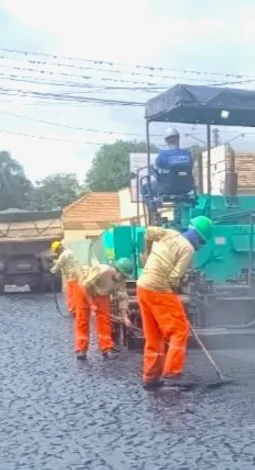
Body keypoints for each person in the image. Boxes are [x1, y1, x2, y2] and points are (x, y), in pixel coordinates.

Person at [137, 216, 213, 389]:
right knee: (179, 330)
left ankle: (151, 376)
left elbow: (148, 232)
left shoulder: (170, 233)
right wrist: (174, 291)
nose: (199, 246)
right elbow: (173, 278)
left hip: (143, 285)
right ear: (199, 236)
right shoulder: (188, 249)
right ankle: (172, 374)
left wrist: (148, 254)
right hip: (159, 288)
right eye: (201, 242)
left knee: (153, 334)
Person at [75, 258, 135, 360]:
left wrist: (125, 318)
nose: (123, 278)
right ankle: (81, 349)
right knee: (82, 320)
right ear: (116, 270)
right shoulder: (102, 271)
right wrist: (91, 303)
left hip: (102, 295)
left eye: (125, 277)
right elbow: (86, 286)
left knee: (104, 321)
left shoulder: (121, 281)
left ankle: (106, 349)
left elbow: (123, 298)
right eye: (122, 275)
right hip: (85, 292)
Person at [154, 128, 195, 197]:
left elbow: (157, 167)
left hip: (168, 188)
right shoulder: (187, 154)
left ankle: (153, 206)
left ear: (166, 141)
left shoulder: (163, 155)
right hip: (186, 188)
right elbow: (191, 166)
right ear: (178, 138)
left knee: (145, 188)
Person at [49, 241, 78, 319]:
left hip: (71, 278)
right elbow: (64, 262)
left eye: (56, 251)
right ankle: (75, 310)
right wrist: (54, 261)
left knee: (71, 295)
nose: (56, 253)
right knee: (75, 295)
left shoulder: (63, 255)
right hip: (76, 276)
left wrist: (52, 271)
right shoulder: (70, 252)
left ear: (58, 249)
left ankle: (73, 311)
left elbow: (59, 264)